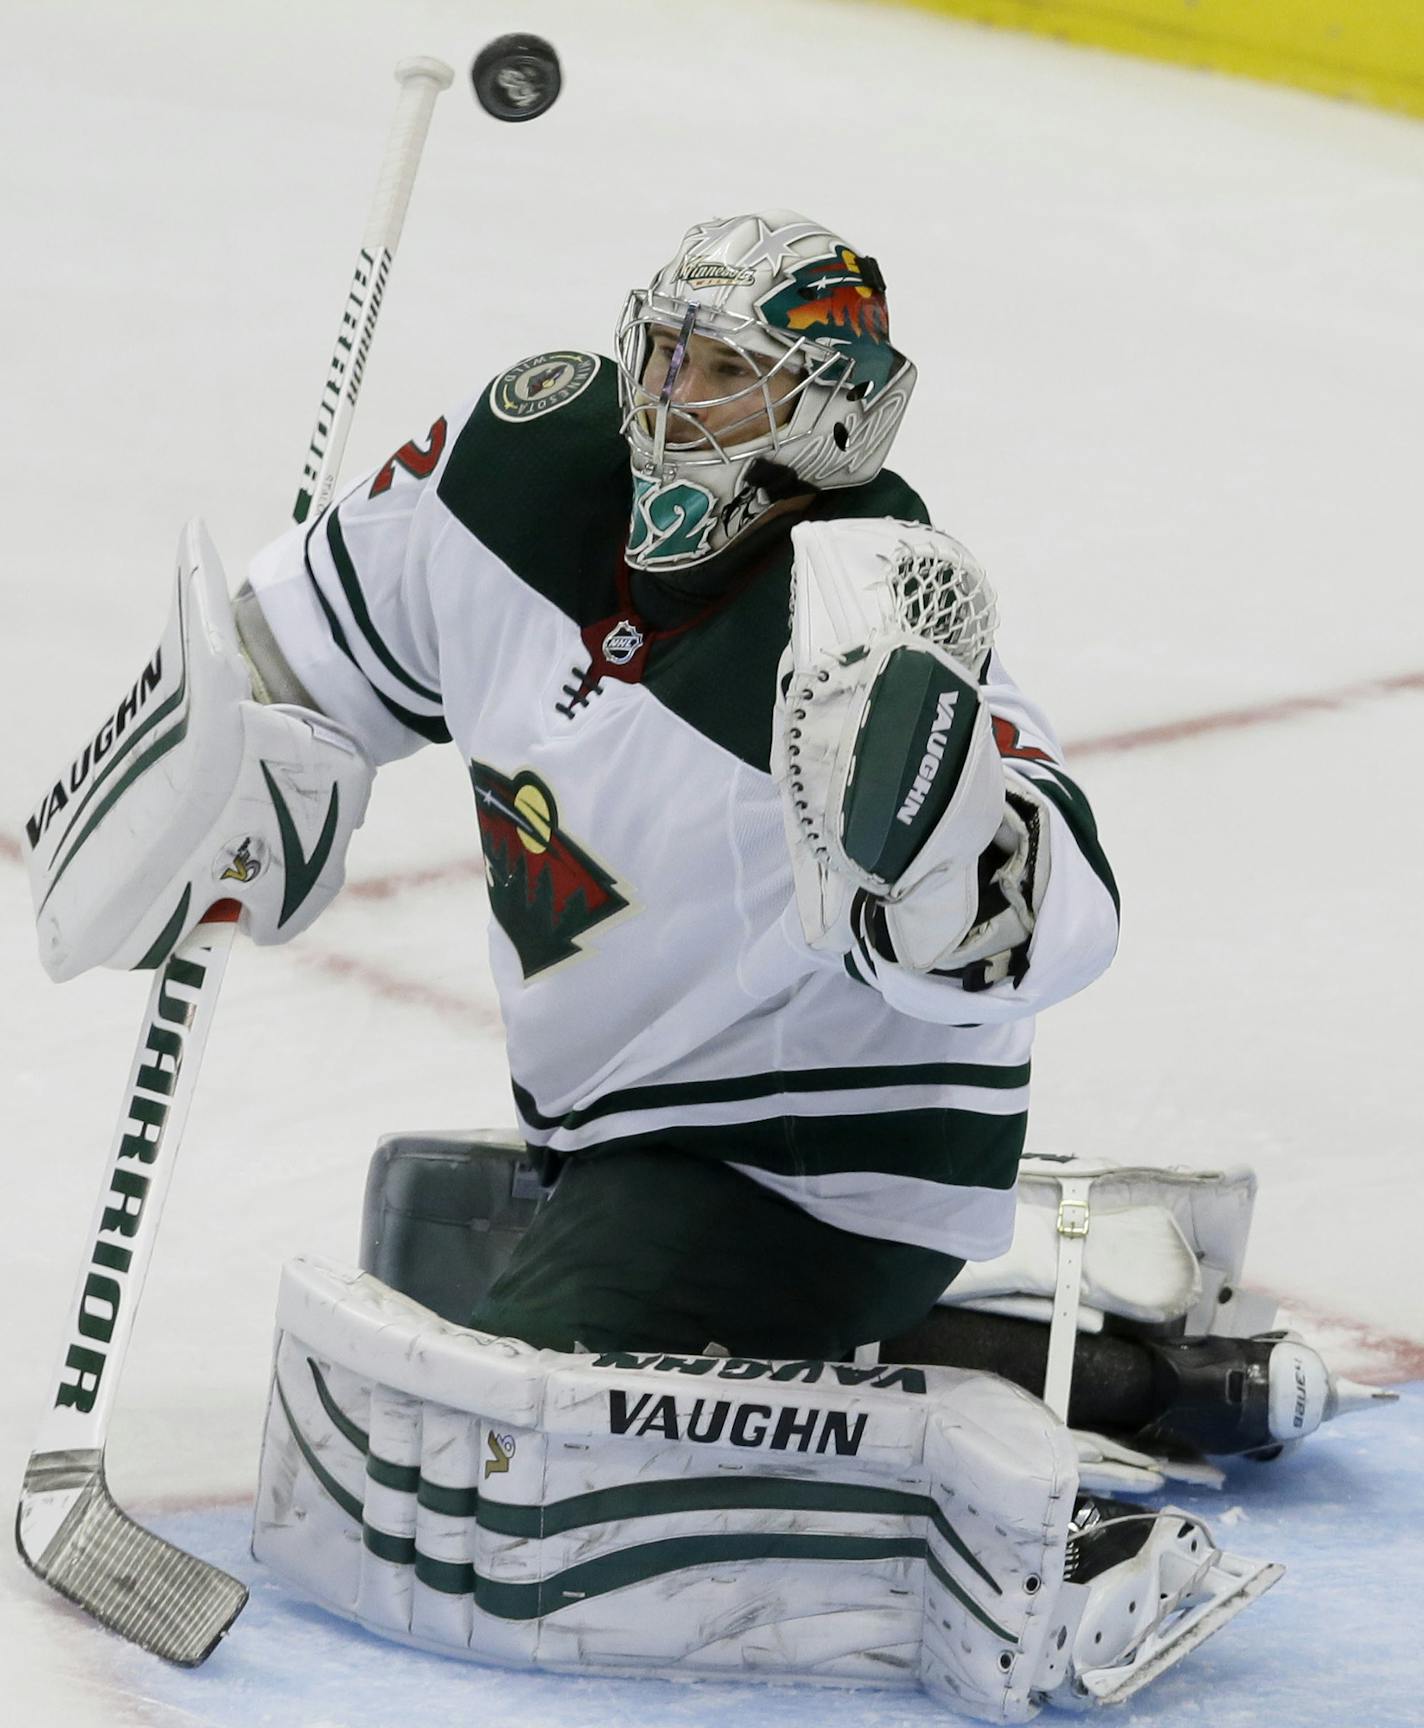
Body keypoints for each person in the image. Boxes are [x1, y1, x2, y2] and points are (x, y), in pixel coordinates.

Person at [233, 208, 1122, 1361]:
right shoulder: (529, 464)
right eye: (663, 351)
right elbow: (298, 651)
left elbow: (1060, 909)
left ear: (830, 413)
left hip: (812, 1171)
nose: (667, 396)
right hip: (614, 1130)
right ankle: (1079, 1370)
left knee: (491, 1428)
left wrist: (943, 863)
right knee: (431, 1249)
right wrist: (241, 761)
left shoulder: (869, 623)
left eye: (727, 373)